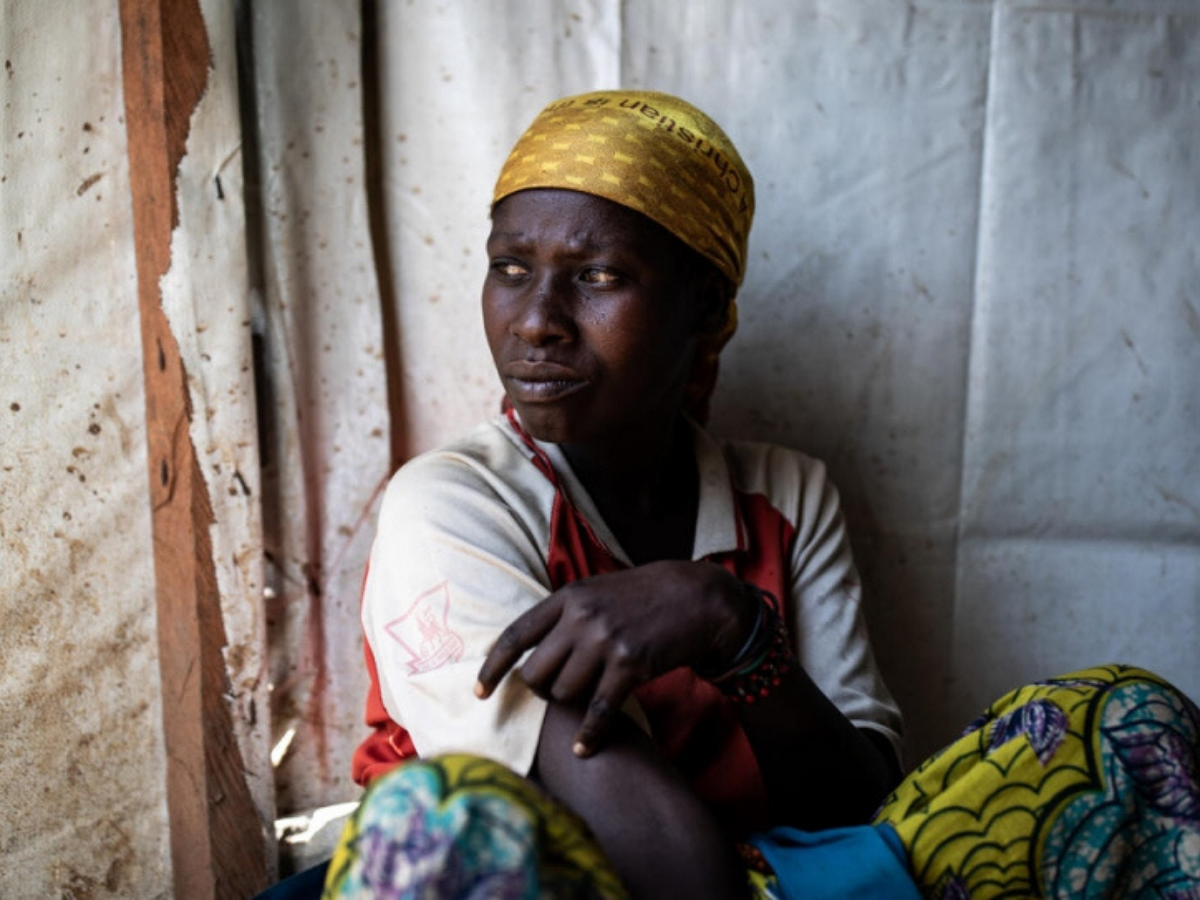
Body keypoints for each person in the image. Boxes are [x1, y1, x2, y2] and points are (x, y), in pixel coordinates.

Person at [324, 91, 1200, 899]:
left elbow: (861, 807)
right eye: (510, 268)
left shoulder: (786, 493)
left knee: (1121, 717)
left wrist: (731, 626)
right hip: (572, 884)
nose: (536, 319)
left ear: (705, 310)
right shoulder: (452, 504)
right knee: (437, 825)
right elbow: (600, 805)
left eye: (596, 277)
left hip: (772, 880)